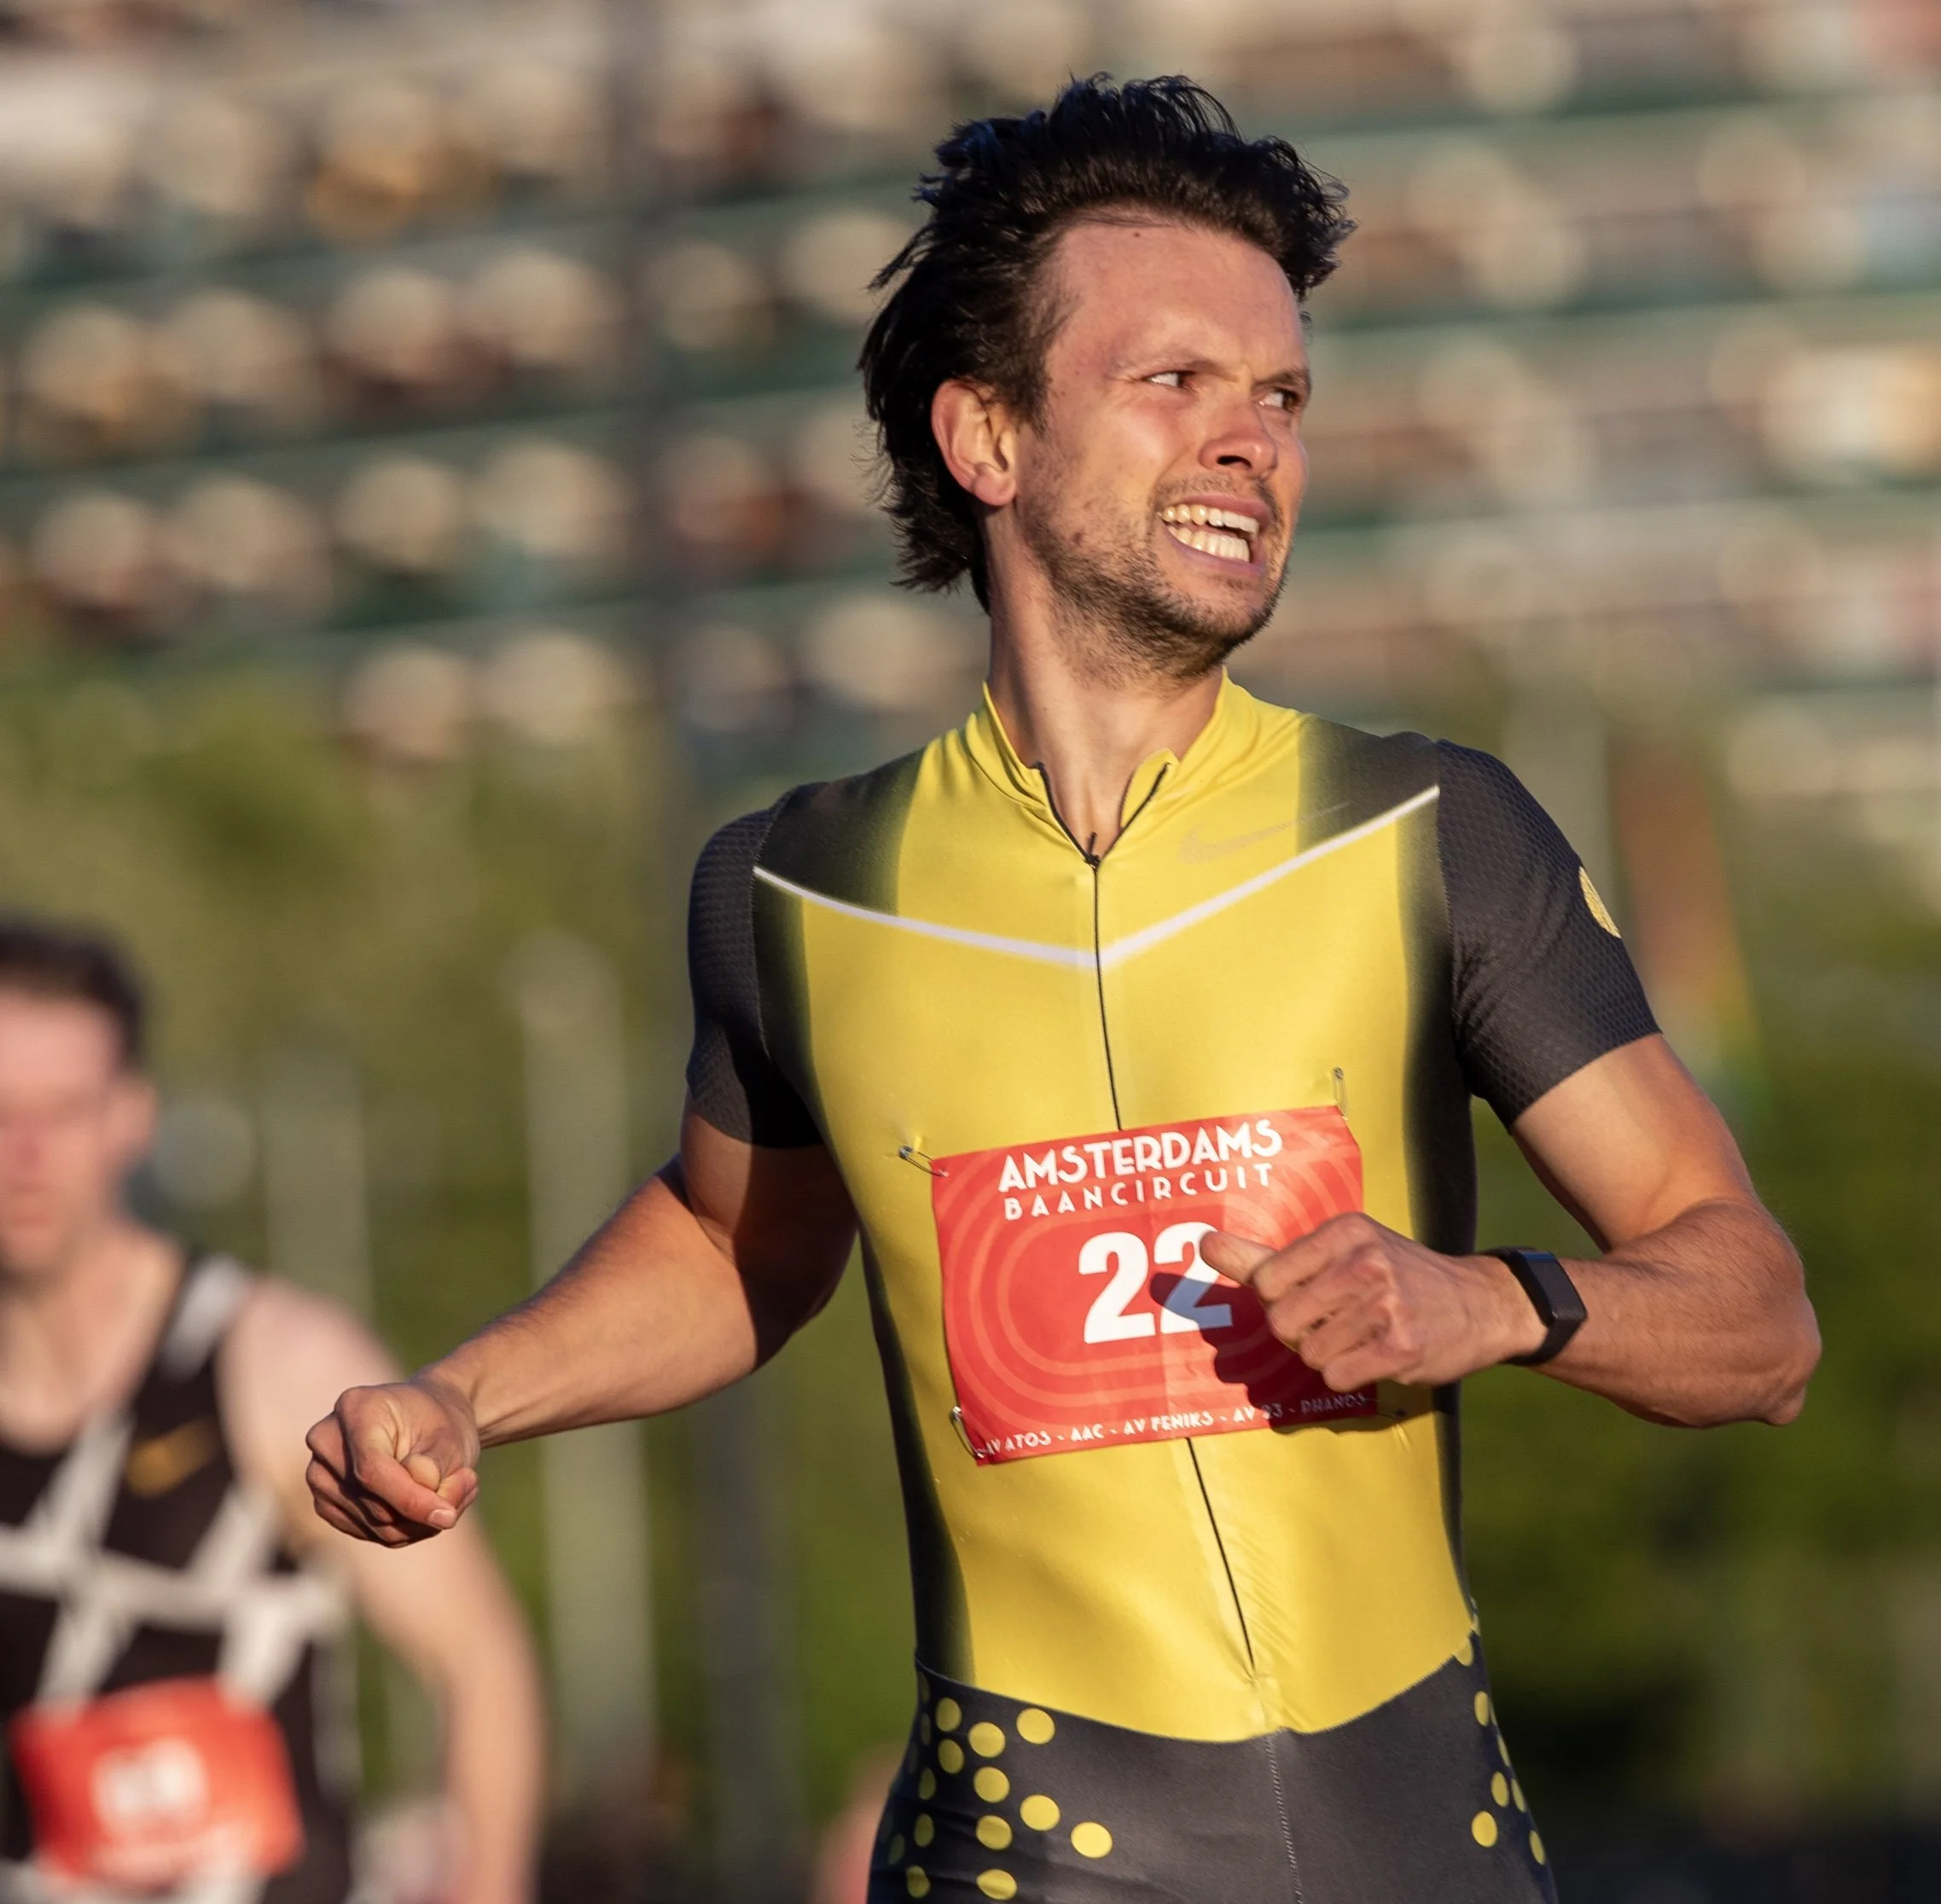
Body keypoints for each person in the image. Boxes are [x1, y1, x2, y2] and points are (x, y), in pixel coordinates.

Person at [306, 77, 1821, 1903]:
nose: (1250, 441)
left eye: (1280, 397)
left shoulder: (1427, 832)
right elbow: (731, 1251)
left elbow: (1758, 1321)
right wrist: (467, 1398)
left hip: (1405, 1834)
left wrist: (1488, 1303)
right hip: (1025, 1848)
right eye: (1173, 382)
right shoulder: (797, 889)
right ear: (988, 437)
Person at [0, 919, 543, 1904]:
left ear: (134, 1118)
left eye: (63, 1110)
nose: (27, 1152)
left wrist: (487, 1886)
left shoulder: (272, 1361)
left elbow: (479, 1662)